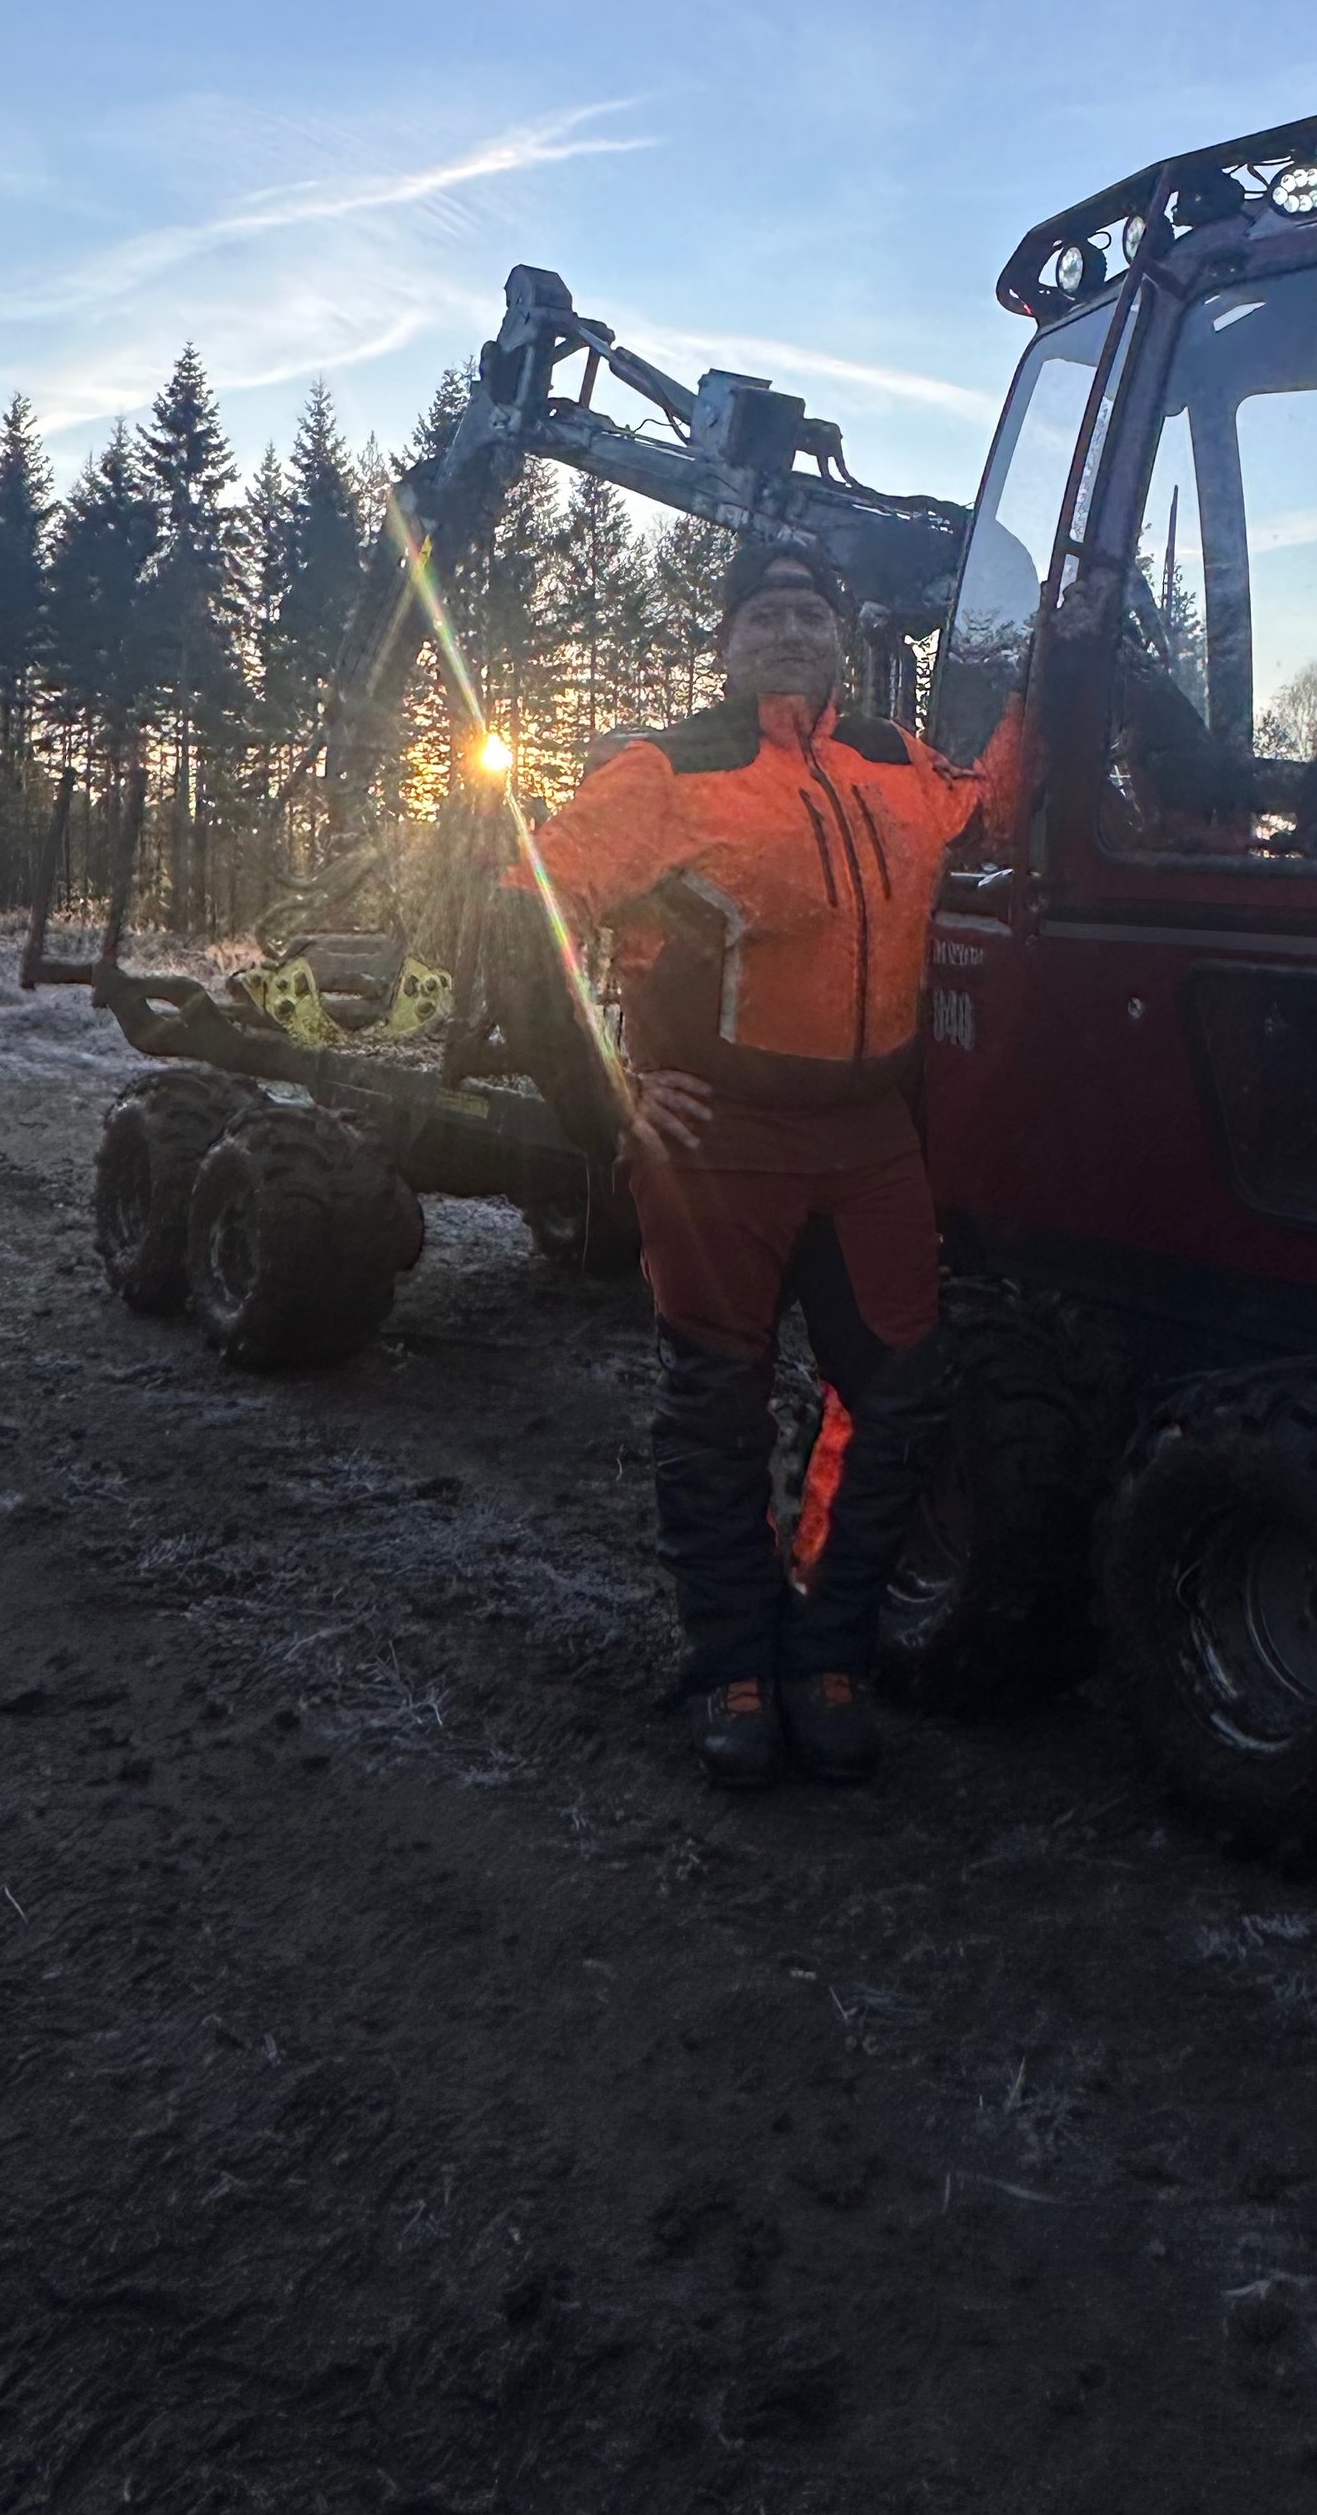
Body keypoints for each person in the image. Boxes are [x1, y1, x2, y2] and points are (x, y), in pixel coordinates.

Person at [507, 543, 1019, 1791]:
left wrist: (1059, 658)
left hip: (868, 1138)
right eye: (764, 616)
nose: (789, 632)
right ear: (725, 643)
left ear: (840, 642)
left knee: (895, 1395)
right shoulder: (666, 770)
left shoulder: (899, 764)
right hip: (720, 1141)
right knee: (714, 1410)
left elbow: (998, 788)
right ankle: (734, 1666)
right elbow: (528, 910)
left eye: (809, 613)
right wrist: (609, 1093)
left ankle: (828, 1651)